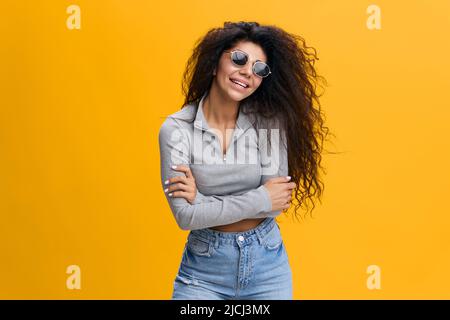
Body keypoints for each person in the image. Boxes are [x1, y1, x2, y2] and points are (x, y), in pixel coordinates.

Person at [158, 21, 329, 299]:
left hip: (268, 269)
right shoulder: (176, 130)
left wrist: (201, 200)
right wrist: (262, 196)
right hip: (203, 274)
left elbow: (277, 203)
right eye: (239, 59)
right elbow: (186, 216)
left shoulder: (270, 123)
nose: (247, 72)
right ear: (215, 64)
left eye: (259, 69)